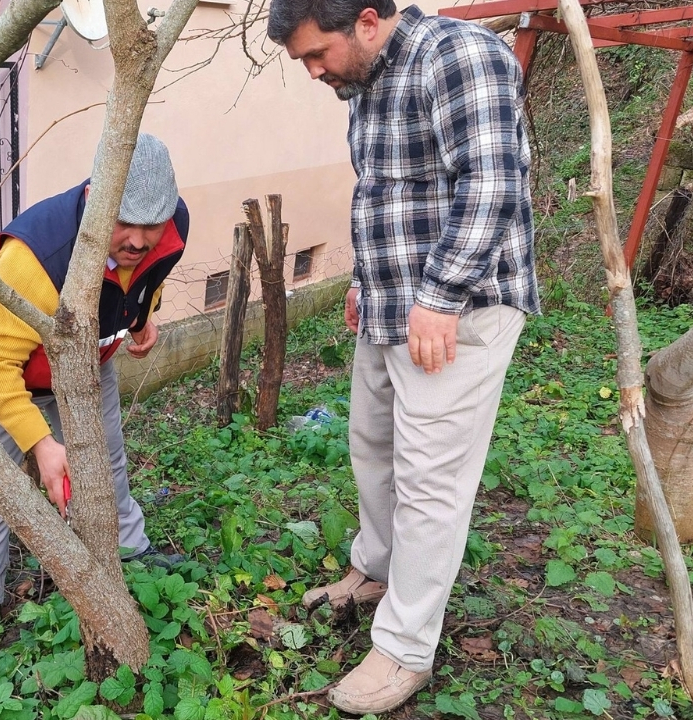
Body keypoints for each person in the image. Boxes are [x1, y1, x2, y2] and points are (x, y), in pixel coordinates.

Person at [268, 0, 539, 713]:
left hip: (459, 311)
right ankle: (376, 568)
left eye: (314, 55)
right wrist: (366, 280)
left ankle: (405, 649)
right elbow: (388, 194)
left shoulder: (460, 57)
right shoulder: (364, 83)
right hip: (396, 304)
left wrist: (441, 296)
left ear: (363, 20)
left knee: (429, 480)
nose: (313, 73)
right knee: (374, 444)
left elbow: (491, 187)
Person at [0, 134, 188, 650]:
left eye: (153, 224)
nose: (140, 240)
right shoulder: (40, 253)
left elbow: (150, 278)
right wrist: (40, 443)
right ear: (96, 198)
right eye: (126, 222)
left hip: (81, 364)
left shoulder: (172, 228)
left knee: (107, 459)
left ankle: (129, 547)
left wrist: (141, 320)